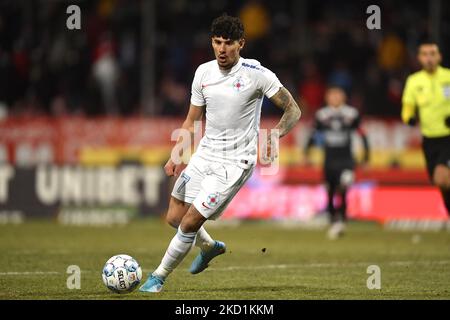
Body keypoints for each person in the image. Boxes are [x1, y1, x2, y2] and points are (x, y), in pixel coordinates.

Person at [139, 14, 301, 293]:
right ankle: (210, 247)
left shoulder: (258, 74)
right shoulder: (203, 73)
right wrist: (176, 155)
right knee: (175, 217)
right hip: (205, 154)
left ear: (241, 44)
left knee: (190, 221)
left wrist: (274, 134)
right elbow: (191, 121)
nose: (222, 49)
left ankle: (158, 277)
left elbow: (293, 109)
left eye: (228, 43)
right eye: (217, 42)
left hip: (235, 163)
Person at [304, 86, 369, 240]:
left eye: (337, 95)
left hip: (347, 159)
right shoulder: (322, 115)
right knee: (330, 191)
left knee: (344, 187)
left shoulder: (352, 114)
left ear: (343, 97)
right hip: (329, 159)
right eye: (332, 95)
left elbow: (362, 134)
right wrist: (307, 152)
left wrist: (366, 156)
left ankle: (342, 219)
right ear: (327, 98)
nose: (335, 98)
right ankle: (333, 220)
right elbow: (313, 134)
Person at [402, 41, 450, 216]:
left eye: (432, 54)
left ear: (439, 57)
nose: (429, 58)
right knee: (441, 183)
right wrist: (409, 118)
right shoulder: (414, 81)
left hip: (448, 137)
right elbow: (407, 106)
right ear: (419, 58)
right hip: (429, 139)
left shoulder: (448, 77)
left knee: (441, 176)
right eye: (425, 54)